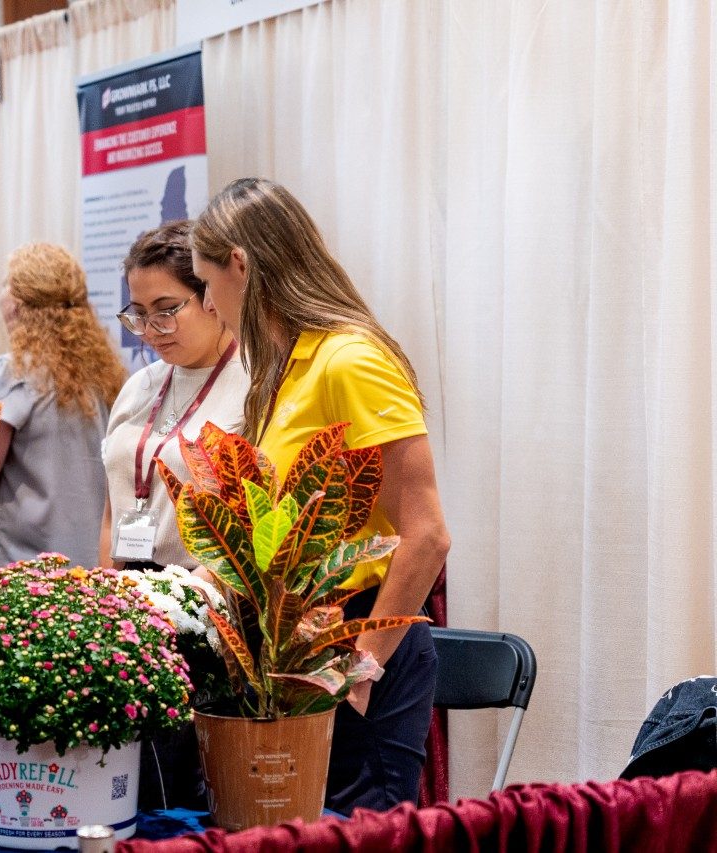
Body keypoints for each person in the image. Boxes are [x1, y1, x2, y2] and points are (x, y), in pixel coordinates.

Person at [191, 177, 451, 816]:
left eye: (205, 281)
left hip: (357, 643)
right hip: (297, 651)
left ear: (242, 266)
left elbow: (427, 534)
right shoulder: (285, 369)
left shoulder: (349, 360)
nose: (206, 300)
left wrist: (359, 673)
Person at [0, 243, 125, 570]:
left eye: (5, 283)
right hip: (90, 568)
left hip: (17, 572)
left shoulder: (11, 375)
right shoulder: (105, 378)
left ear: (17, 305)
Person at [100, 222, 249, 573]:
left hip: (204, 593)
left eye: (166, 311)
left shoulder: (254, 385)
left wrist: (189, 600)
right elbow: (110, 513)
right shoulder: (138, 386)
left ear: (212, 297)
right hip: (130, 591)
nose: (151, 330)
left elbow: (250, 529)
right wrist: (103, 602)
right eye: (139, 313)